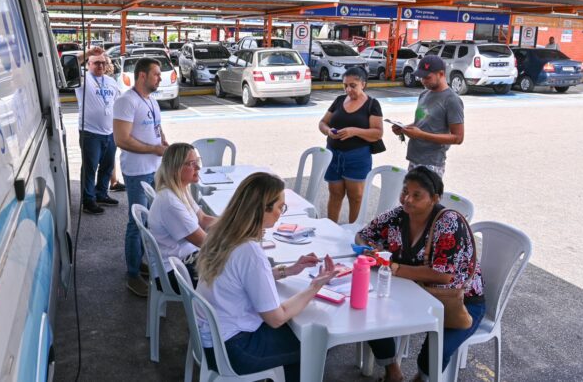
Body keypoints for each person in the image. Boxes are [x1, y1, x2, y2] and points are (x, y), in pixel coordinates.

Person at [196, 172, 339, 381]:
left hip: (214, 338)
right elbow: (276, 318)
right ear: (263, 208)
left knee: (301, 337)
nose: (281, 212)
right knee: (314, 344)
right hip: (235, 349)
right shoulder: (249, 251)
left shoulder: (223, 232)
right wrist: (314, 287)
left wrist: (288, 270)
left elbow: (240, 278)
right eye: (280, 207)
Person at [355, 167, 485, 382]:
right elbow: (364, 234)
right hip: (413, 291)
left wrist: (393, 267)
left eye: (417, 195)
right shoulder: (399, 215)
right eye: (405, 191)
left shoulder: (449, 223)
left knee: (436, 350)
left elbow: (442, 275)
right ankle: (392, 371)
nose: (407, 199)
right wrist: (371, 249)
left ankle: (421, 379)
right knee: (369, 315)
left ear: (434, 198)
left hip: (458, 302)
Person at [114, 57, 168, 297]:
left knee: (150, 221)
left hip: (154, 167)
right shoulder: (126, 101)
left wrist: (162, 142)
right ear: (142, 76)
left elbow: (157, 126)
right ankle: (132, 274)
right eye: (156, 74)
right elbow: (122, 139)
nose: (160, 78)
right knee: (136, 224)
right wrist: (153, 149)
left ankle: (139, 262)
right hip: (137, 171)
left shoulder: (151, 100)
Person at [148, 143, 216, 291]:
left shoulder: (180, 189)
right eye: (192, 164)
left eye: (198, 161)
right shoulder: (170, 203)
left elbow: (203, 219)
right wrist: (238, 238)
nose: (198, 167)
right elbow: (205, 242)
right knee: (234, 274)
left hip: (184, 259)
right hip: (172, 272)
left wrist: (235, 223)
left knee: (236, 265)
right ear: (176, 168)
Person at [318, 67, 383, 223]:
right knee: (335, 194)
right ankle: (331, 227)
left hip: (357, 156)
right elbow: (322, 123)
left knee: (355, 197)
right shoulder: (339, 100)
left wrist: (354, 131)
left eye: (352, 85)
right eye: (345, 85)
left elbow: (378, 133)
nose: (348, 89)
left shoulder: (372, 104)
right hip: (333, 154)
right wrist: (328, 131)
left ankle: (353, 232)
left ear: (363, 84)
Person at [392, 55, 464, 178]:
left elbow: (458, 138)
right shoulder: (424, 94)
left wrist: (421, 135)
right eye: (421, 77)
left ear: (441, 74)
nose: (423, 81)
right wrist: (403, 128)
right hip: (414, 159)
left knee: (425, 197)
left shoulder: (452, 100)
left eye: (427, 77)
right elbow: (420, 123)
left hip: (432, 164)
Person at [76, 48, 120, 215]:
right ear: (88, 64)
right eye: (96, 63)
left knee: (107, 166)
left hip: (110, 132)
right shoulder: (82, 80)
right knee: (90, 168)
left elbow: (117, 104)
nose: (100, 66)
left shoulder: (111, 82)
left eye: (103, 62)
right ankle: (88, 200)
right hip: (90, 132)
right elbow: (67, 65)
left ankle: (101, 194)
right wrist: (87, 53)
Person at [102, 54, 126, 192]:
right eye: (107, 63)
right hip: (99, 128)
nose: (107, 65)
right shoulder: (91, 80)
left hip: (111, 126)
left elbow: (119, 99)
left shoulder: (111, 82)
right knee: (102, 159)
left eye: (107, 63)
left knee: (111, 156)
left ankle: (114, 181)